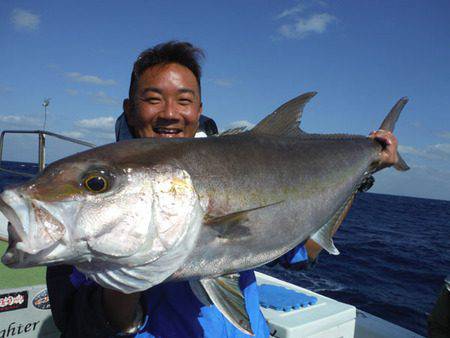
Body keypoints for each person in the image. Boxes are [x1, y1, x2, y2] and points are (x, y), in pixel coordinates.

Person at [47, 41, 400, 338]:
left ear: (199, 112)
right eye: (153, 99)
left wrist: (363, 174)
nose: (170, 113)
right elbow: (80, 325)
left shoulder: (241, 172)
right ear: (130, 109)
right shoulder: (84, 207)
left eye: (184, 101)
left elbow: (304, 255)